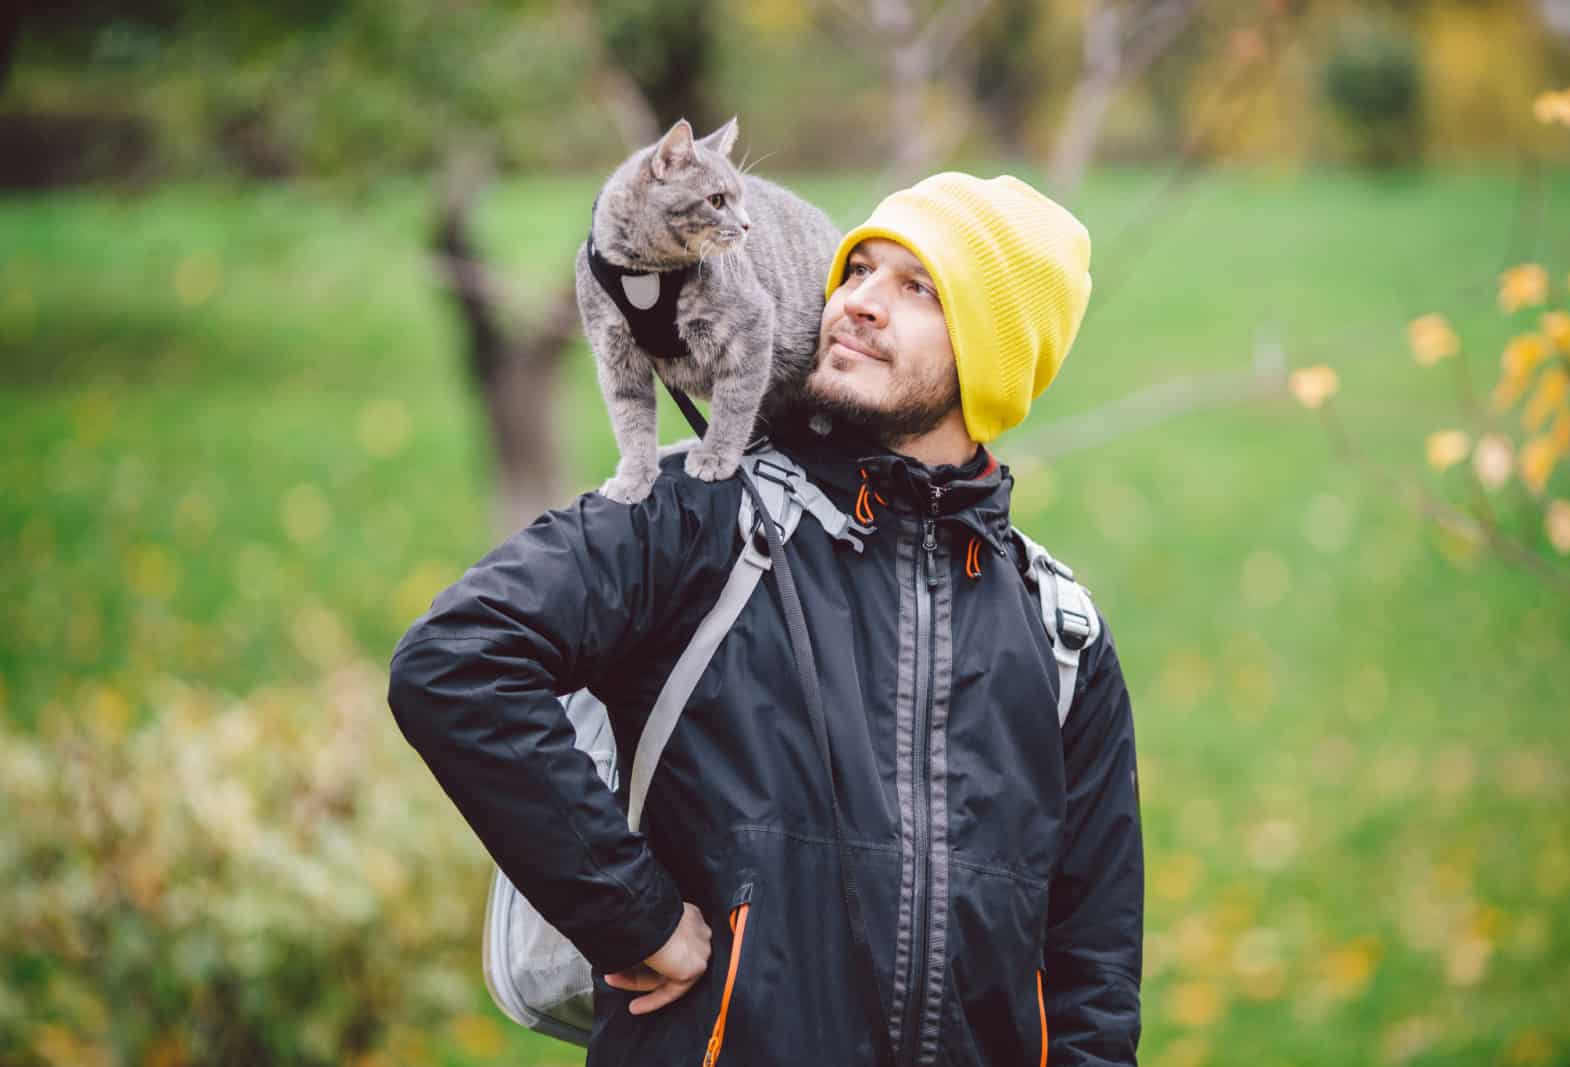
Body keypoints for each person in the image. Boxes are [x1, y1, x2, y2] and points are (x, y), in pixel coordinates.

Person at [388, 172, 1143, 1066]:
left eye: (917, 288)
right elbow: (457, 658)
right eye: (859, 269)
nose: (857, 301)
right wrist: (635, 916)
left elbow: (1091, 980)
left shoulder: (1062, 637)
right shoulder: (701, 517)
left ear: (995, 355)